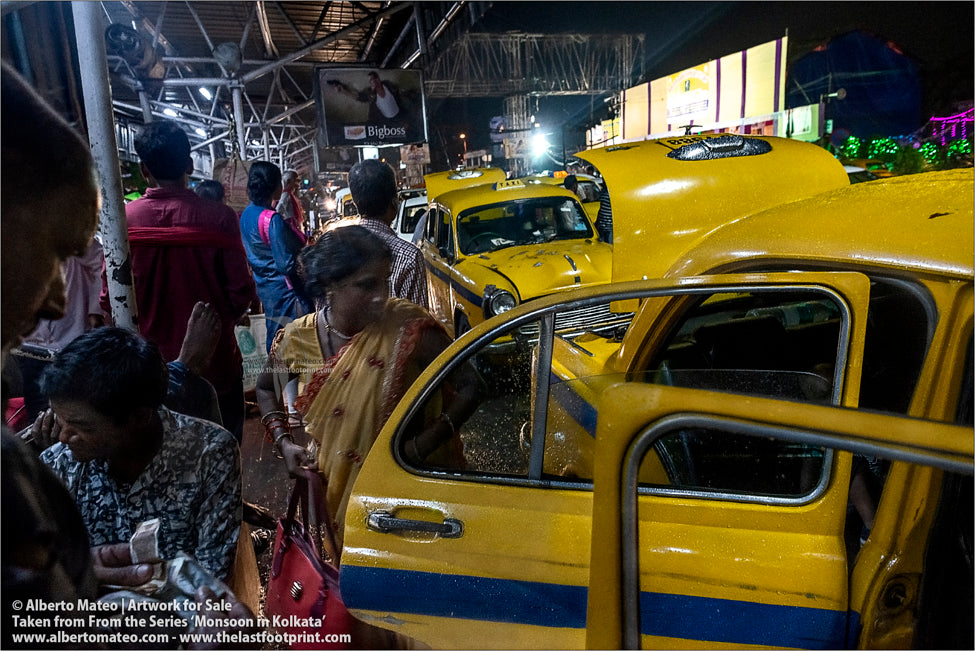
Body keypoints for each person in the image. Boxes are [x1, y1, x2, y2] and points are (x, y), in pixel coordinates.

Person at [256, 226, 478, 552]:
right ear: (330, 285)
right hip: (332, 500)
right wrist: (285, 444)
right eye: (366, 285)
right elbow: (265, 389)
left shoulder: (409, 328)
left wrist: (422, 445)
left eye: (385, 281)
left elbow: (473, 385)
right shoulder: (295, 340)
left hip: (409, 499)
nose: (381, 294)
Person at [33, 327, 242, 581]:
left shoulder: (210, 454)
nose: (64, 437)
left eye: (82, 426)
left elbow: (212, 579)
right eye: (59, 418)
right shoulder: (58, 464)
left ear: (140, 417)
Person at [110, 119, 258, 442]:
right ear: (190, 164)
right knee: (224, 453)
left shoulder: (122, 221)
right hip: (216, 368)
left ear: (144, 169)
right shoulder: (220, 218)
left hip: (148, 374)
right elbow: (241, 293)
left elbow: (111, 301)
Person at [13, 238, 104, 423]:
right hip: (31, 345)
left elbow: (101, 262)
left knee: (78, 409)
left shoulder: (66, 230)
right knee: (38, 413)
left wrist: (96, 308)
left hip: (73, 337)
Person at [239, 161, 313, 352]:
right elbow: (286, 265)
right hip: (286, 292)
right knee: (297, 344)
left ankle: (276, 378)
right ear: (275, 187)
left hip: (265, 288)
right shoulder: (272, 220)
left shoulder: (247, 214)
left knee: (276, 336)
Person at [346, 158, 430, 308]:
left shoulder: (335, 250)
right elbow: (418, 325)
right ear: (394, 202)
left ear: (355, 202)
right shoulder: (409, 257)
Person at [333, 71, 401, 121]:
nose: (374, 81)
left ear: (378, 79)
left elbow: (400, 95)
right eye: (371, 80)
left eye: (375, 78)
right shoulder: (370, 93)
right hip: (385, 121)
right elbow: (358, 97)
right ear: (370, 83)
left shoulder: (388, 85)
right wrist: (343, 91)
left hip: (399, 114)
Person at [276, 169, 306, 237]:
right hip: (293, 233)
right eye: (296, 180)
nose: (298, 184)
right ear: (289, 181)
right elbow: (279, 210)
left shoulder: (290, 195)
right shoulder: (286, 195)